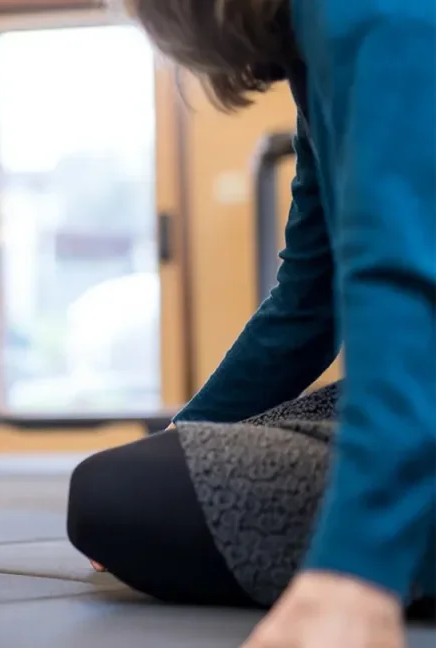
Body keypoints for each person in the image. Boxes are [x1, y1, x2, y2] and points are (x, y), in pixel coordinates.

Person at [66, 0, 435, 646]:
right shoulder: (315, 54)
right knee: (139, 472)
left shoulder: (366, 14)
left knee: (115, 495)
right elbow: (306, 299)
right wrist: (190, 429)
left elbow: (400, 284)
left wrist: (357, 570)